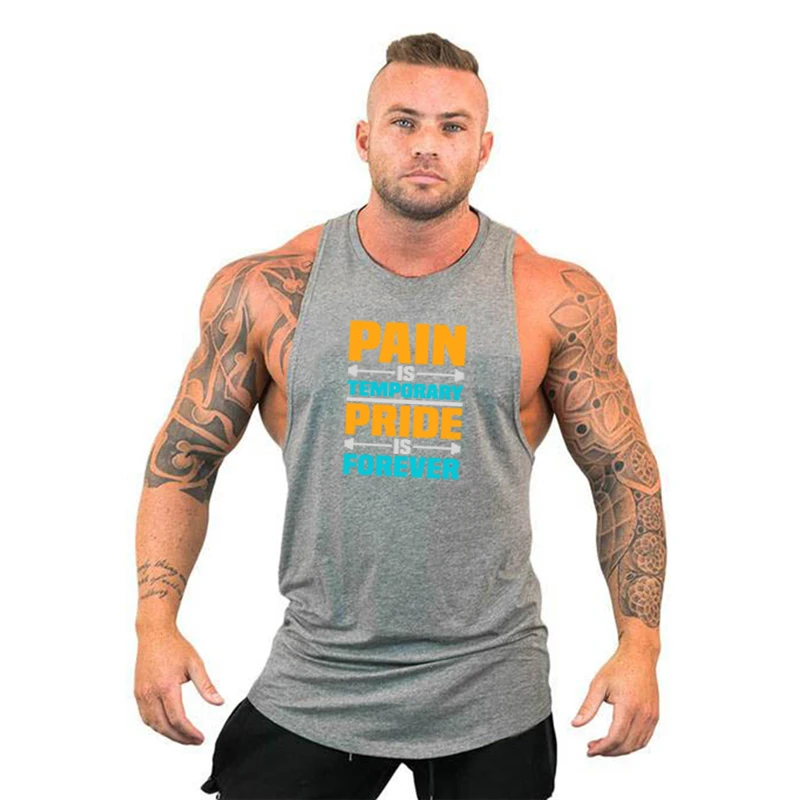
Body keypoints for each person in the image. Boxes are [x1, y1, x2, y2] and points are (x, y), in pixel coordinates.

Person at [134, 32, 665, 800]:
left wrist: (640, 645)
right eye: (404, 122)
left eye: (452, 126)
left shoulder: (551, 297)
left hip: (492, 685)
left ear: (483, 148)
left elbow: (623, 475)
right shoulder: (268, 288)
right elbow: (185, 458)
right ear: (364, 138)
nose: (426, 144)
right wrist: (155, 625)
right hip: (320, 678)